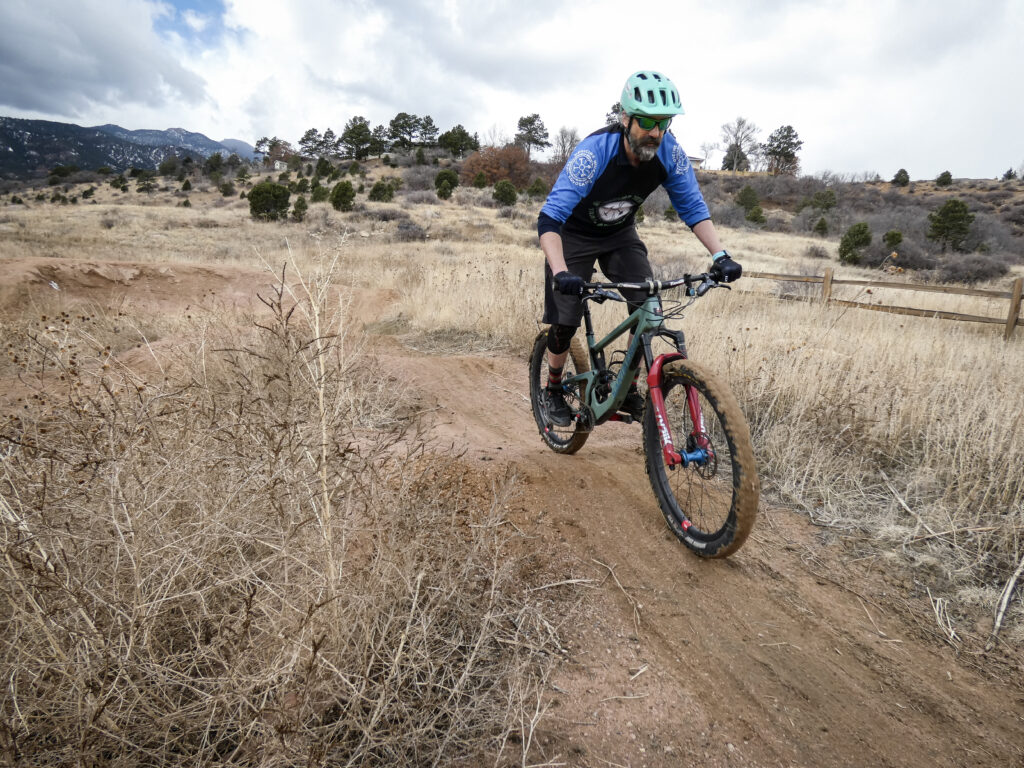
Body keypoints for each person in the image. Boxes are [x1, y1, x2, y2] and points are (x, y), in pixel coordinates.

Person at [537, 69, 742, 426]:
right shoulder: (594, 153)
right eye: (646, 121)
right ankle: (553, 388)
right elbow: (550, 219)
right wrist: (561, 272)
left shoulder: (670, 154)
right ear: (625, 118)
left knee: (648, 304)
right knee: (565, 318)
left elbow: (692, 208)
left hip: (619, 234)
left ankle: (628, 389)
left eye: (665, 123)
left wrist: (720, 255)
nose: (656, 132)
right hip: (573, 235)